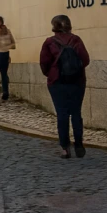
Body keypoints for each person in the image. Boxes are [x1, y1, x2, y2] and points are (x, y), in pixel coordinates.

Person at [39, 15, 90, 160]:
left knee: (61, 114)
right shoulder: (76, 40)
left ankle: (65, 148)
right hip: (77, 82)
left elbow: (44, 63)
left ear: (54, 26)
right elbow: (85, 60)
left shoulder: (49, 42)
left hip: (57, 82)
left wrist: (53, 73)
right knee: (76, 113)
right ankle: (79, 144)